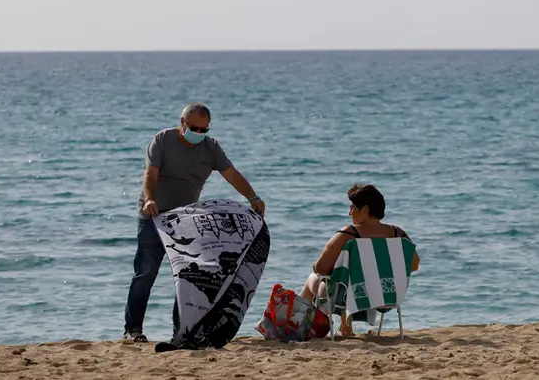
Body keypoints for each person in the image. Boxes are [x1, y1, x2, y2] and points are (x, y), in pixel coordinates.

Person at [123, 102, 266, 343]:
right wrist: (149, 200)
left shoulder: (211, 148)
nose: (199, 134)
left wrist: (252, 197)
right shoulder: (163, 140)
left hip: (185, 218)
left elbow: (231, 174)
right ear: (182, 123)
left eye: (204, 130)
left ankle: (182, 332)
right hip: (154, 215)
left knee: (187, 277)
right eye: (194, 128)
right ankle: (133, 330)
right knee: (146, 272)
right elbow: (150, 174)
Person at [300, 183, 419, 337]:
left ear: (365, 210)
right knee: (354, 279)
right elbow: (414, 265)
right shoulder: (398, 234)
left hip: (350, 296)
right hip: (386, 296)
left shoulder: (350, 234)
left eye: (352, 207)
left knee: (314, 279)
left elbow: (321, 268)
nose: (349, 212)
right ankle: (345, 326)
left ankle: (302, 326)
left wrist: (321, 267)